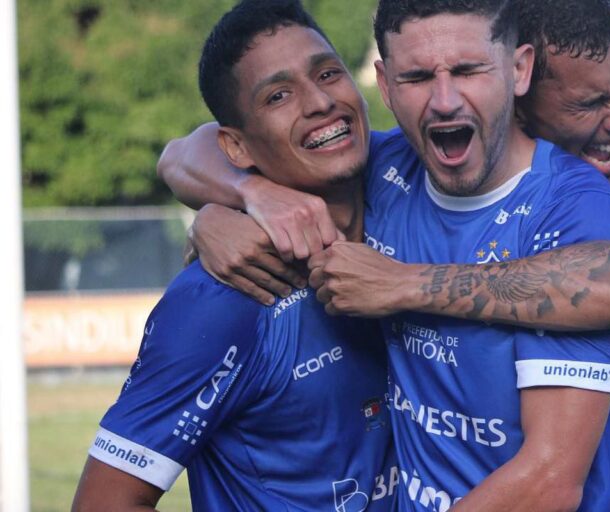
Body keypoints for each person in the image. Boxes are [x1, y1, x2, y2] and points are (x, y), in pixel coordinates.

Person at [159, 0, 610, 509]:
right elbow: (192, 149)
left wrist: (406, 285)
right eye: (588, 104)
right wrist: (240, 198)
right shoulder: (405, 164)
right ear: (525, 86)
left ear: (515, 69)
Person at [71, 1, 396, 510]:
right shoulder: (220, 300)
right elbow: (104, 502)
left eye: (329, 73)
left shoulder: (414, 184)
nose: (319, 102)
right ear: (237, 148)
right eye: (279, 95)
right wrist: (243, 196)